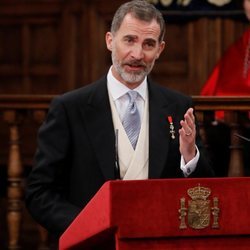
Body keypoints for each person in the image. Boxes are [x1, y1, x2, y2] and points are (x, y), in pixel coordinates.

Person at [26, 0, 214, 238]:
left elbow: (205, 188)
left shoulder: (178, 106)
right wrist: (90, 226)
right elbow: (39, 193)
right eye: (129, 40)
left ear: (160, 49)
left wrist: (190, 156)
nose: (137, 54)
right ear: (109, 41)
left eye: (148, 44)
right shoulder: (69, 108)